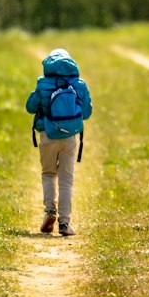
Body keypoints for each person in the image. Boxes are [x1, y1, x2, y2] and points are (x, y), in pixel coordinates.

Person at [25, 47, 92, 236]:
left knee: (48, 173)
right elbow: (86, 113)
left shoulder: (43, 83)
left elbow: (30, 107)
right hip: (70, 137)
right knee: (66, 180)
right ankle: (64, 223)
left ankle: (49, 211)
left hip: (47, 135)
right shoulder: (79, 84)